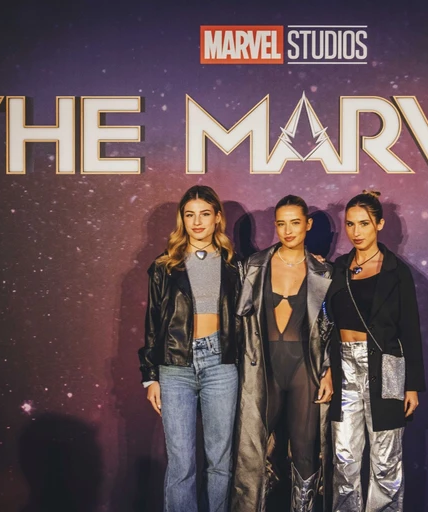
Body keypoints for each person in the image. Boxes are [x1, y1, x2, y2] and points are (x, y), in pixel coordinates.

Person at [138, 185, 242, 512]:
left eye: (205, 214)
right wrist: (150, 376)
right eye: (190, 215)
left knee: (220, 460)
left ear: (217, 218)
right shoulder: (164, 266)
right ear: (182, 219)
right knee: (181, 462)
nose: (197, 222)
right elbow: (153, 322)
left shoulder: (235, 265)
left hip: (221, 364)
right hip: (175, 366)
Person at [232, 195, 334, 512]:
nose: (288, 231)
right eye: (281, 223)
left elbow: (331, 328)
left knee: (305, 450)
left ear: (308, 224)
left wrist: (329, 369)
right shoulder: (253, 266)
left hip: (305, 370)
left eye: (295, 222)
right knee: (252, 452)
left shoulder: (323, 271)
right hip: (263, 369)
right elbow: (237, 321)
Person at [325, 190, 425, 511]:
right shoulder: (338, 268)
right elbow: (324, 322)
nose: (356, 232)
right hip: (344, 365)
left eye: (364, 224)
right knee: (344, 458)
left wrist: (412, 385)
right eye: (350, 224)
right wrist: (326, 369)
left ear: (379, 224)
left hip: (387, 367)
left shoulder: (397, 271)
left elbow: (410, 329)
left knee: (386, 460)